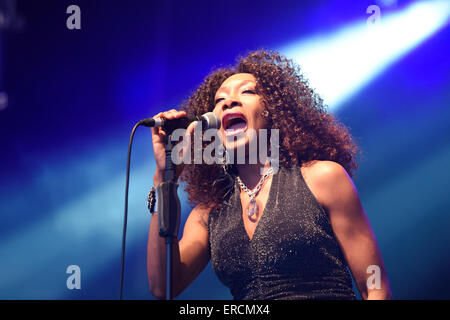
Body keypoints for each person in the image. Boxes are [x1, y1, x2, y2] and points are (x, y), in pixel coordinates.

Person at [147, 50, 392, 300]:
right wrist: (164, 180)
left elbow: (375, 287)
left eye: (247, 92)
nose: (229, 102)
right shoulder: (210, 213)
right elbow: (162, 286)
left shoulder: (323, 178)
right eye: (220, 101)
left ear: (273, 110)